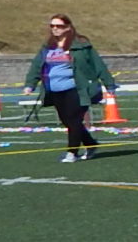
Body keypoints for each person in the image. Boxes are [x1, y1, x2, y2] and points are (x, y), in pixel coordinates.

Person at [22, 12, 117, 162]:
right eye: (52, 26)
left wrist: (109, 84)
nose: (55, 29)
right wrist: (30, 84)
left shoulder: (81, 45)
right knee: (68, 121)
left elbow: (98, 64)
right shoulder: (48, 47)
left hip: (77, 88)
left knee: (73, 119)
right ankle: (91, 144)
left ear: (68, 27)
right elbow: (36, 66)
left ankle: (72, 153)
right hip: (55, 89)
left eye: (59, 26)